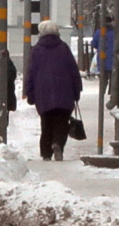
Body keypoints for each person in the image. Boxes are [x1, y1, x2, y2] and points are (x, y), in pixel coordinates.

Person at [24, 20, 82, 161]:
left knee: (46, 123)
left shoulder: (36, 50)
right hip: (65, 91)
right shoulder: (64, 48)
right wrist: (77, 91)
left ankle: (46, 153)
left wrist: (29, 93)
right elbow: (73, 70)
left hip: (42, 93)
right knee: (62, 122)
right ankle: (58, 144)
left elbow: (31, 72)